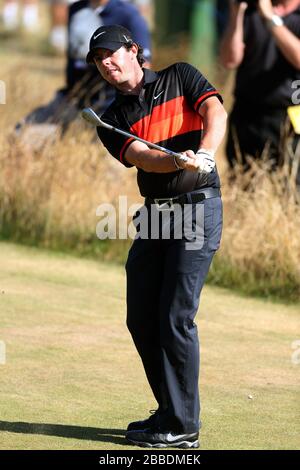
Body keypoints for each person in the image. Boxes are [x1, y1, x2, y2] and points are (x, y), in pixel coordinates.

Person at [86, 24, 227, 448]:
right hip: (156, 216)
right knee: (142, 316)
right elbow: (145, 158)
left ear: (133, 50)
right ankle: (170, 410)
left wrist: (203, 155)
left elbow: (215, 112)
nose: (106, 64)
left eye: (112, 53)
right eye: (98, 60)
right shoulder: (111, 119)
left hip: (198, 209)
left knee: (175, 317)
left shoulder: (180, 75)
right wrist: (175, 163)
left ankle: (184, 428)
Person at [15, 0, 151, 136]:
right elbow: (73, 56)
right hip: (72, 99)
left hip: (108, 104)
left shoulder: (128, 15)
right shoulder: (76, 9)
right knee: (21, 132)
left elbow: (143, 64)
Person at [220, 0, 300, 180]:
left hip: (289, 116)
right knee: (243, 183)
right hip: (247, 115)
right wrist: (236, 14)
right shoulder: (251, 10)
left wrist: (270, 18)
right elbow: (229, 60)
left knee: (292, 190)